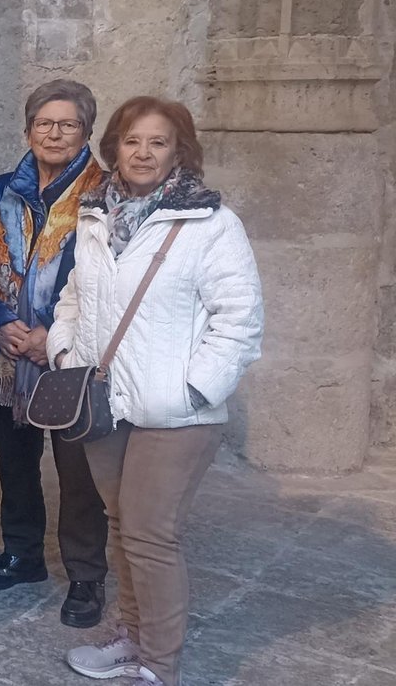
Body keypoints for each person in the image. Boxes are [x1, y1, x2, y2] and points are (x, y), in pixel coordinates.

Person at [50, 97, 263, 686]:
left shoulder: (210, 224)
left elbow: (240, 319)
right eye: (132, 141)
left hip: (175, 414)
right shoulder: (95, 217)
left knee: (151, 535)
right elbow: (74, 296)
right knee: (123, 526)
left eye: (158, 142)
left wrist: (195, 389)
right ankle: (133, 638)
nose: (143, 153)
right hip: (107, 403)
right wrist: (67, 353)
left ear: (179, 152)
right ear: (114, 148)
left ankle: (159, 666)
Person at [0, 80, 113, 628]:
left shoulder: (105, 197)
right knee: (15, 461)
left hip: (72, 357)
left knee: (78, 471)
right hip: (8, 356)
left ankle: (86, 576)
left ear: (86, 132)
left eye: (68, 124)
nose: (54, 133)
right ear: (27, 131)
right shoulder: (2, 191)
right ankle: (23, 554)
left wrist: (54, 334)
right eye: (44, 123)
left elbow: (110, 280)